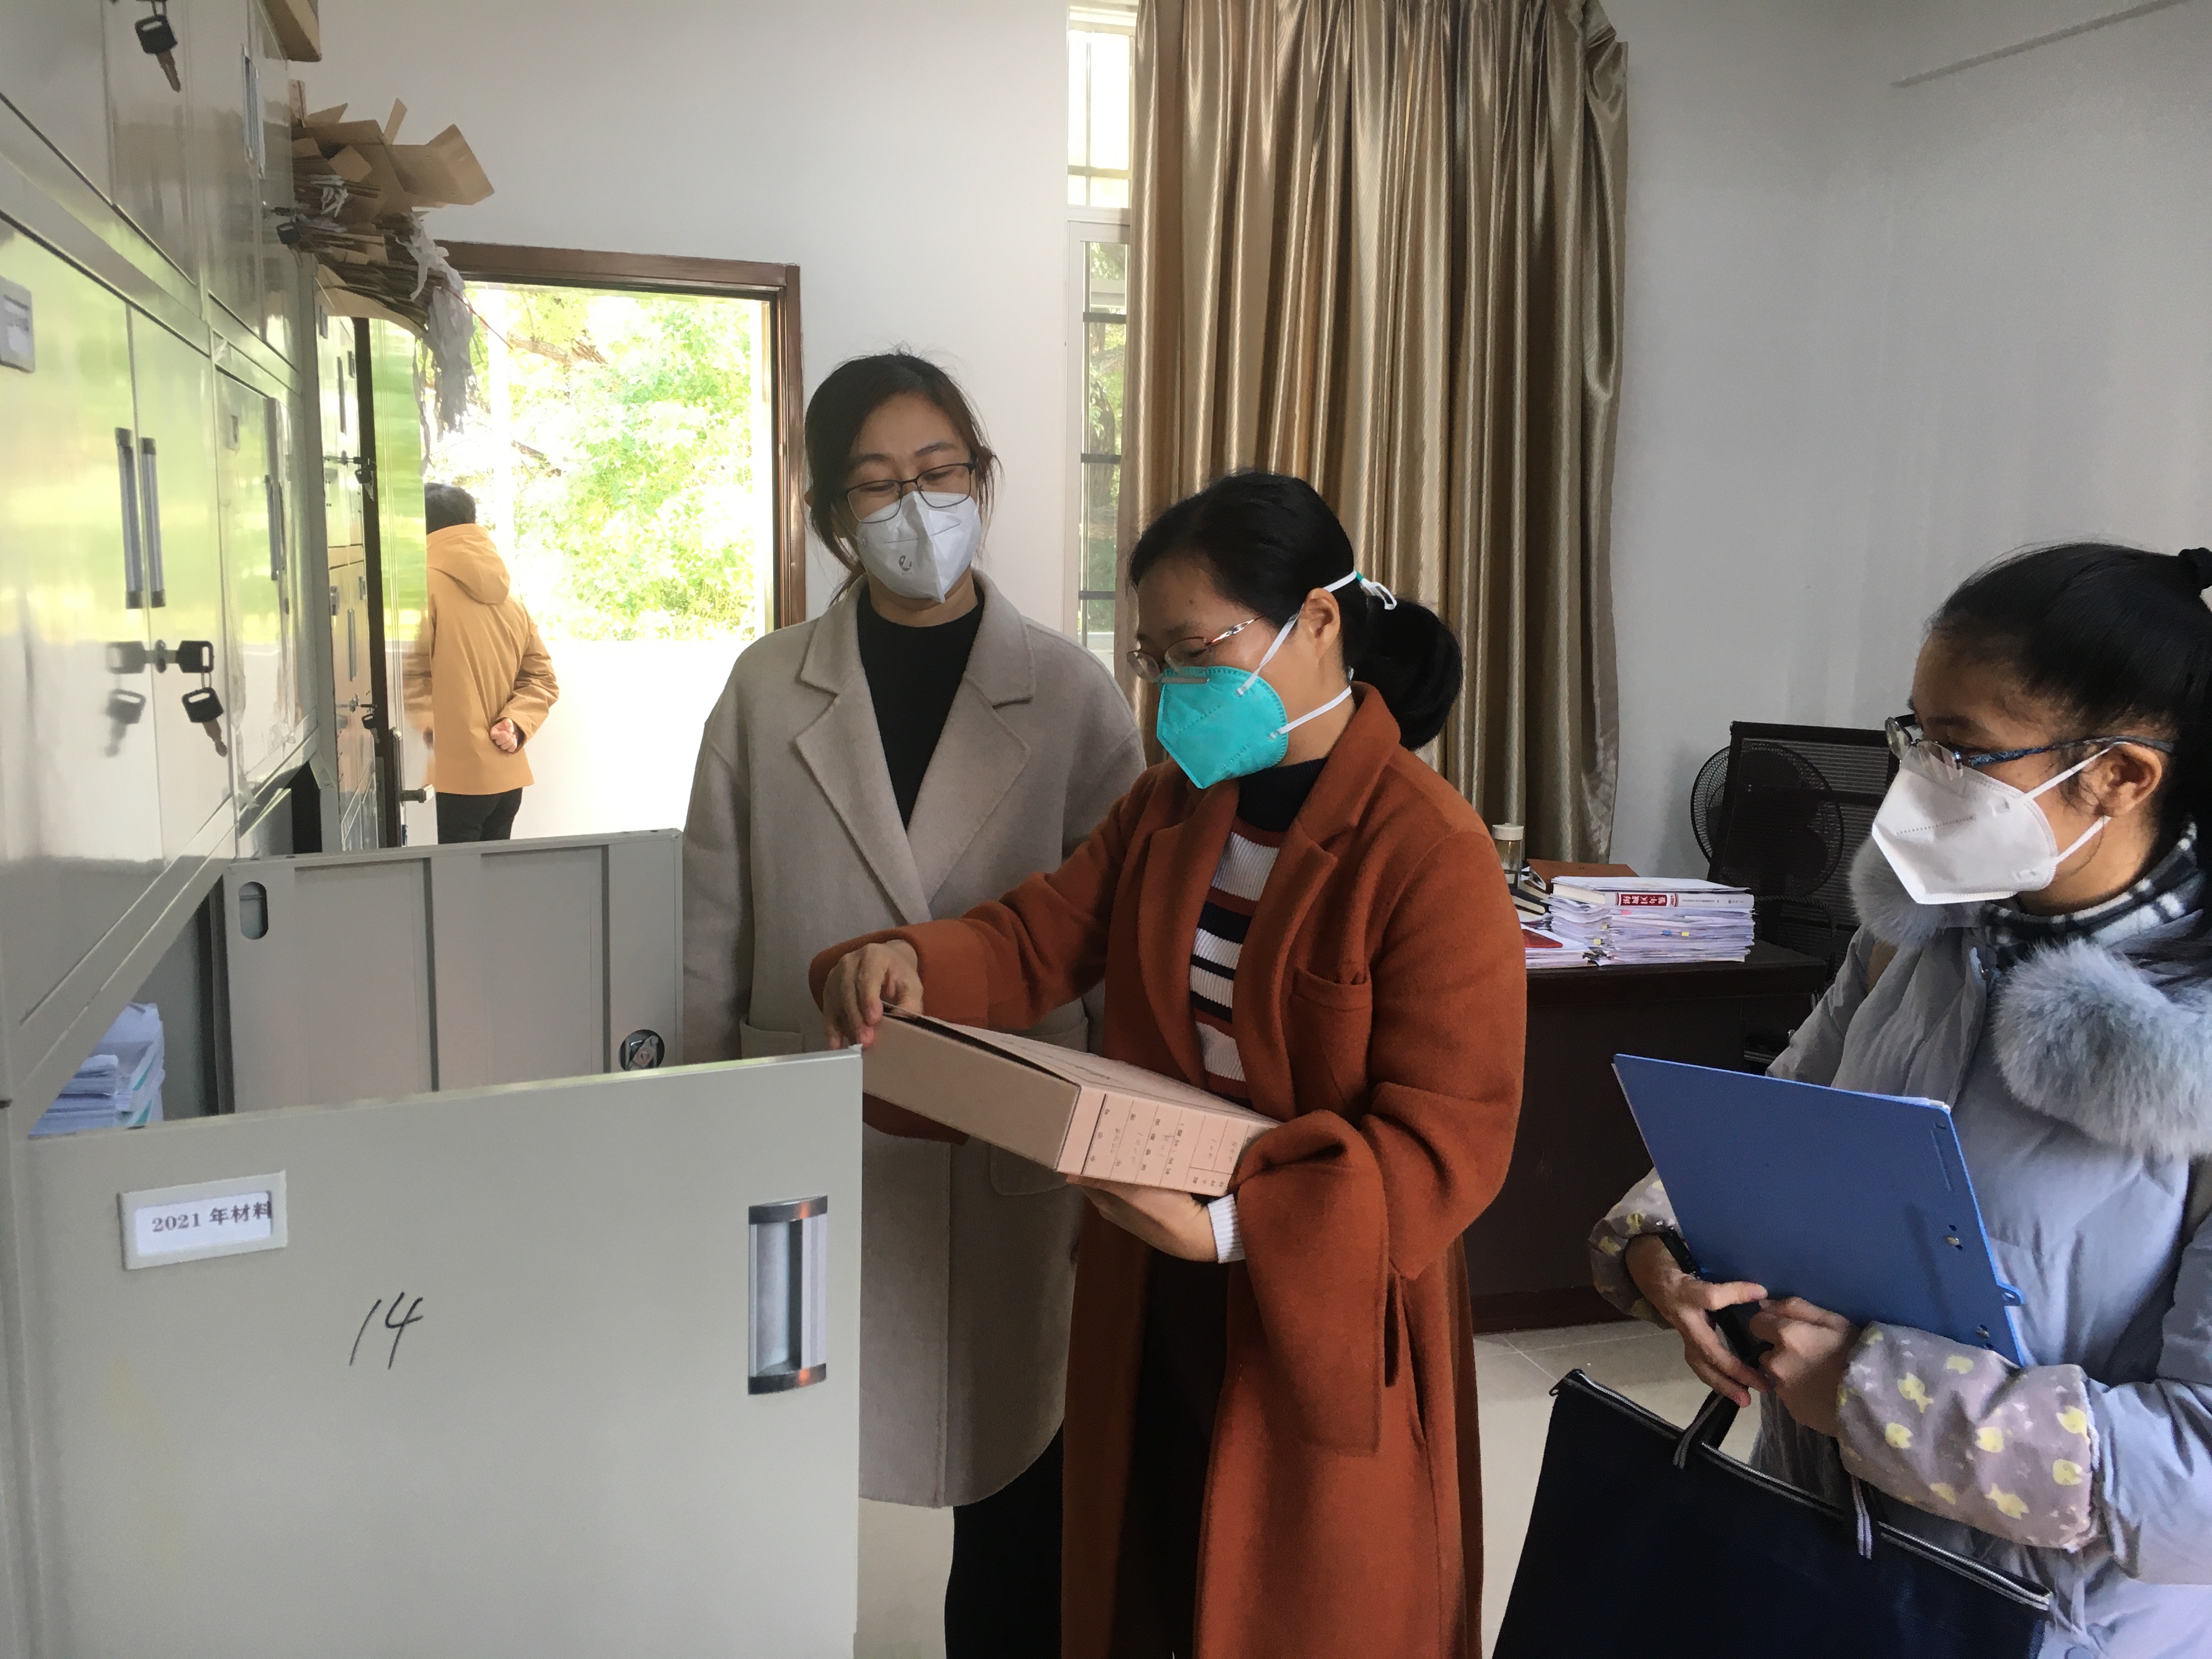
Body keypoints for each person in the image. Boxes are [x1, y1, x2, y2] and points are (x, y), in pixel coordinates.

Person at [814, 471, 1524, 1659]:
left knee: (1301, 1606)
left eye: (1199, 653)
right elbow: (1040, 935)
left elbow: (1449, 1134)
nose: (1174, 692)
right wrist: (911, 961)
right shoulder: (1169, 810)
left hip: (1321, 1287)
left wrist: (1236, 1229)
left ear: (1318, 620)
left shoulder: (1427, 850)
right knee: (1142, 1569)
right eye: (1155, 661)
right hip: (1150, 1265)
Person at [1590, 543, 2212, 1657]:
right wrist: (1665, 1251)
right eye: (1915, 735)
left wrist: (1872, 1395)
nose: (1919, 779)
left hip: (2043, 1625)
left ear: (2120, 775)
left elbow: (2196, 1483)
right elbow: (1774, 1130)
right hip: (1814, 1562)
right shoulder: (1910, 938)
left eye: (1964, 750)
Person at [682, 353, 1144, 1656]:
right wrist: (705, 1140)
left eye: (939, 473)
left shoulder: (1071, 693)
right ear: (833, 515)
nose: (914, 508)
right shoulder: (767, 687)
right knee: (787, 1482)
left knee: (1018, 1488)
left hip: (1011, 1149)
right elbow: (710, 937)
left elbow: (1118, 949)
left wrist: (1119, 1157)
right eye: (878, 484)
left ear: (980, 481)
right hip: (815, 1148)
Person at [408, 483, 558, 843]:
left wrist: (426, 735)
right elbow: (542, 679)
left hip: (456, 779)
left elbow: (407, 675)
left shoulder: (420, 589)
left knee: (452, 879)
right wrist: (515, 723)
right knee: (494, 876)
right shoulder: (509, 597)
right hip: (507, 778)